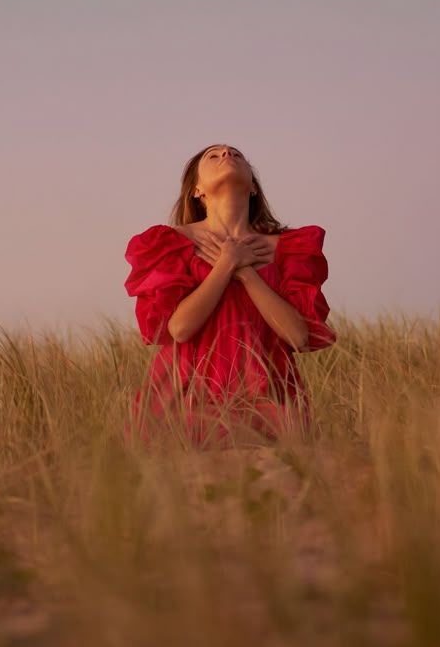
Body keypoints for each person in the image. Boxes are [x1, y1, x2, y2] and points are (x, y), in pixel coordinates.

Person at [123, 143, 336, 446]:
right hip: (185, 402)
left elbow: (298, 337)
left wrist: (245, 271)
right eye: (214, 155)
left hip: (267, 403)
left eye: (237, 154)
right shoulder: (171, 244)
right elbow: (180, 329)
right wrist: (225, 264)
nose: (227, 155)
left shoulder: (289, 247)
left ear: (252, 187)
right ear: (197, 190)